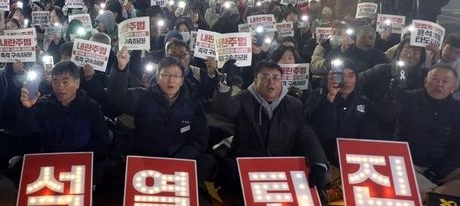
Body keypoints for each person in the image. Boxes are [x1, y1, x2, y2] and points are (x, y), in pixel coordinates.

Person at [212, 60, 328, 196]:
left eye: (276, 77)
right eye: (265, 77)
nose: (271, 82)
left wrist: (318, 162)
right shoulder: (243, 99)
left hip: (281, 165)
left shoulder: (294, 105)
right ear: (255, 80)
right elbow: (223, 108)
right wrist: (225, 84)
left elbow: (306, 135)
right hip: (248, 165)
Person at [108, 50, 215, 182]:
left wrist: (179, 159)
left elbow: (199, 139)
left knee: (207, 162)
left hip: (178, 160)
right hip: (146, 159)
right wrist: (121, 69)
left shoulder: (193, 104)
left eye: (176, 76)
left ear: (182, 80)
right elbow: (118, 98)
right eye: (166, 75)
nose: (171, 80)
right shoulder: (143, 96)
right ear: (158, 77)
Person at [18, 61, 110, 183]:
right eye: (55, 82)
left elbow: (101, 139)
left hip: (81, 166)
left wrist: (81, 159)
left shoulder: (91, 106)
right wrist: (28, 108)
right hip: (50, 165)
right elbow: (28, 128)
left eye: (65, 82)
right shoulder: (42, 104)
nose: (60, 86)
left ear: (77, 83)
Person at [385, 65, 460, 197]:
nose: (439, 84)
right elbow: (385, 118)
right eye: (435, 79)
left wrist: (437, 171)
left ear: (454, 87)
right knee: (402, 176)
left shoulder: (457, 109)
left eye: (445, 81)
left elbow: (457, 150)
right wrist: (393, 96)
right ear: (425, 82)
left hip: (442, 167)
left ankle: (434, 193)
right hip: (408, 163)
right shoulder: (408, 99)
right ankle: (435, 195)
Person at [304, 58, 374, 164]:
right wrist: (330, 96)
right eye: (342, 75)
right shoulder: (317, 95)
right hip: (323, 157)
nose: (346, 80)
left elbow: (368, 132)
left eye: (351, 75)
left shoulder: (363, 101)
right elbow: (312, 121)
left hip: (353, 157)